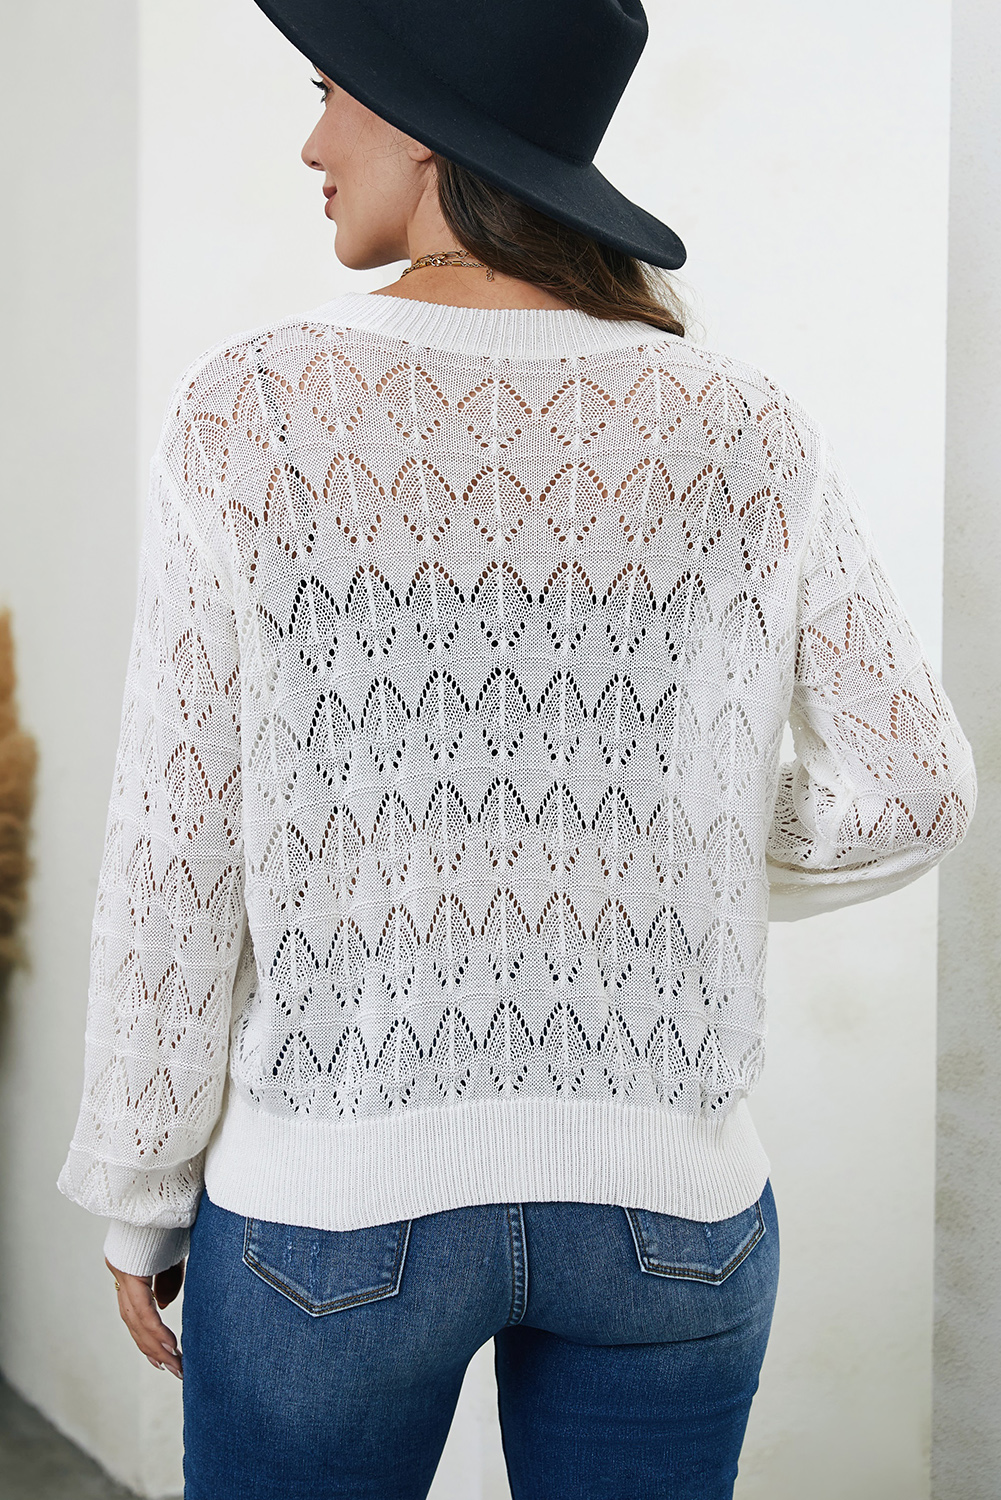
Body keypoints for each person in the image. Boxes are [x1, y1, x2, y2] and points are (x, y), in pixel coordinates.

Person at [57, 3, 977, 1497]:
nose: (310, 141)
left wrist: (140, 1192)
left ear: (428, 128)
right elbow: (915, 789)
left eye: (330, 93)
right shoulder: (742, 422)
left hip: (331, 1215)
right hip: (671, 1215)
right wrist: (644, 825)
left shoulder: (256, 408)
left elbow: (183, 839)